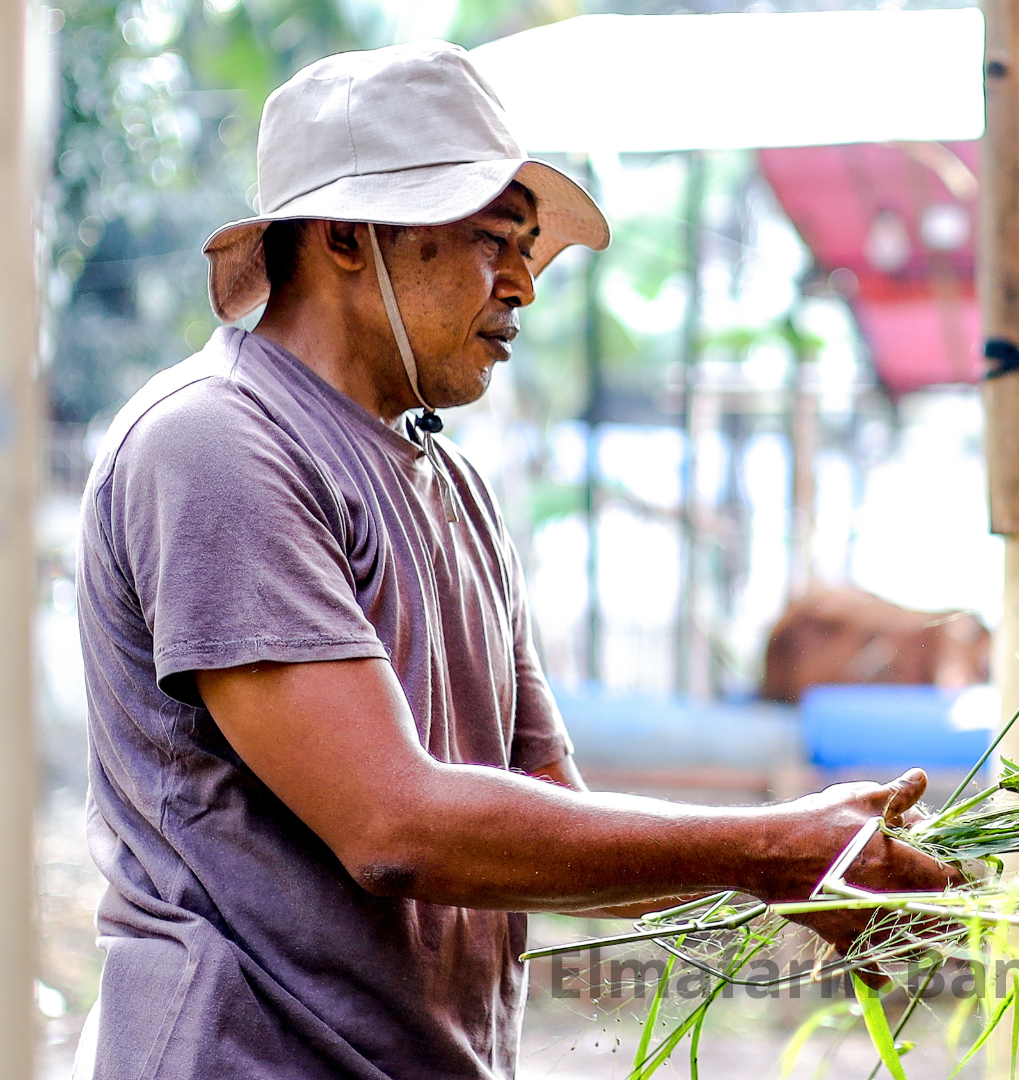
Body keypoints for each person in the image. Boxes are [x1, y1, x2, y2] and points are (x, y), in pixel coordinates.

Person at [75, 40, 961, 1079]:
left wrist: (804, 864)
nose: (522, 287)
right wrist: (772, 847)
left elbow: (555, 814)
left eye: (528, 246)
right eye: (490, 240)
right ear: (349, 237)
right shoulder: (219, 444)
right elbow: (393, 826)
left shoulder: (453, 488)